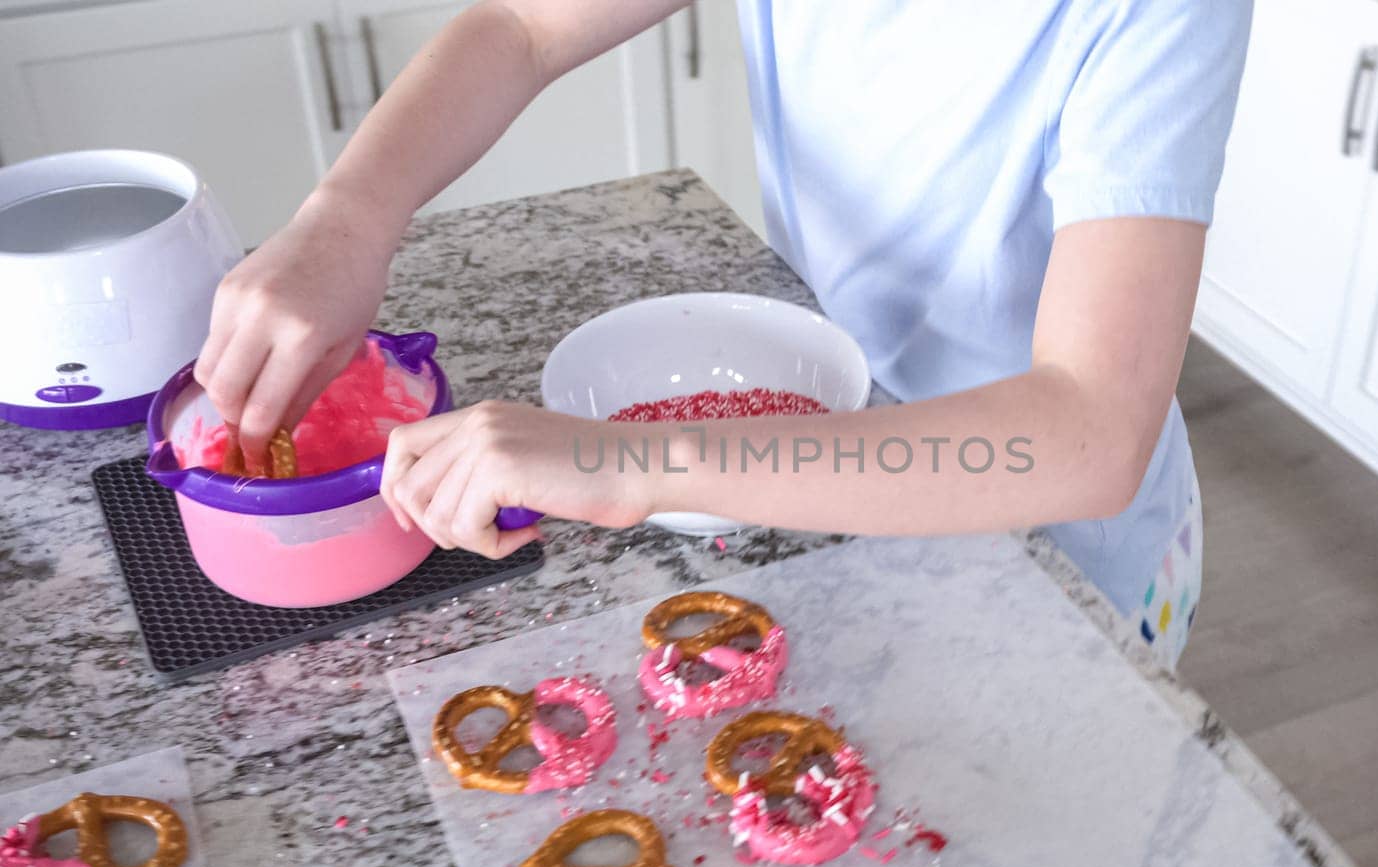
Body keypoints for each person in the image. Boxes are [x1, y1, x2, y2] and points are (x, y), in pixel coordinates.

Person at [195, 0, 1251, 667]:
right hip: (829, 454)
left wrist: (635, 463)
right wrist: (347, 219)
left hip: (1046, 545)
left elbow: (1090, 433)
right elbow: (523, 27)